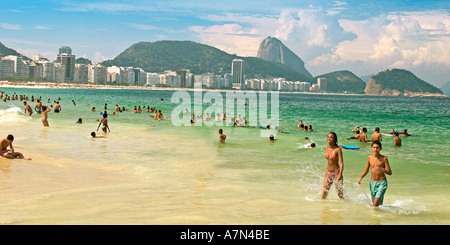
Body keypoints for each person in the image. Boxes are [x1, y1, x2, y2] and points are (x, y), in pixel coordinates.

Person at [357, 141, 392, 207]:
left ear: (380, 148)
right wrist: (361, 177)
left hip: (382, 183)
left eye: (377, 148)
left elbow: (390, 172)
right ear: (371, 148)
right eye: (374, 147)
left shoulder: (384, 158)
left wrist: (382, 169)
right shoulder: (369, 157)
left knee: (375, 203)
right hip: (372, 183)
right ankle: (376, 216)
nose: (375, 149)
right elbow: (366, 170)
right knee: (374, 204)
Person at [322, 132, 344, 199]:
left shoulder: (338, 149)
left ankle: (344, 207)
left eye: (331, 137)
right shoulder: (326, 148)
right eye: (328, 137)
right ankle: (324, 208)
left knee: (340, 194)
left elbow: (341, 163)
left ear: (334, 139)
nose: (329, 139)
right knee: (324, 193)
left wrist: (340, 174)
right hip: (328, 173)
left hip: (336, 173)